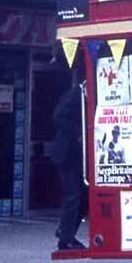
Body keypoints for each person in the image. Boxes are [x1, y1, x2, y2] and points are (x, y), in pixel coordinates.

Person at [52, 81, 87, 250]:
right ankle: (66, 237)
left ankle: (66, 233)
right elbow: (57, 117)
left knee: (83, 196)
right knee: (72, 195)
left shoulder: (85, 97)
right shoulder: (73, 95)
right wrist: (77, 134)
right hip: (66, 155)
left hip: (76, 157)